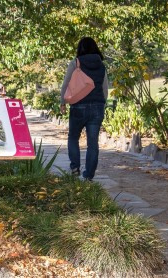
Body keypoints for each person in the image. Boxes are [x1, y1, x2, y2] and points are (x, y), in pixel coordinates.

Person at [60, 37, 109, 180]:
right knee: (93, 143)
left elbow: (66, 83)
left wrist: (63, 102)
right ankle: (89, 175)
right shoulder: (101, 65)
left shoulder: (76, 63)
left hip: (78, 106)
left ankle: (75, 167)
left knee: (73, 137)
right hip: (97, 107)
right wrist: (102, 104)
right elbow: (104, 87)